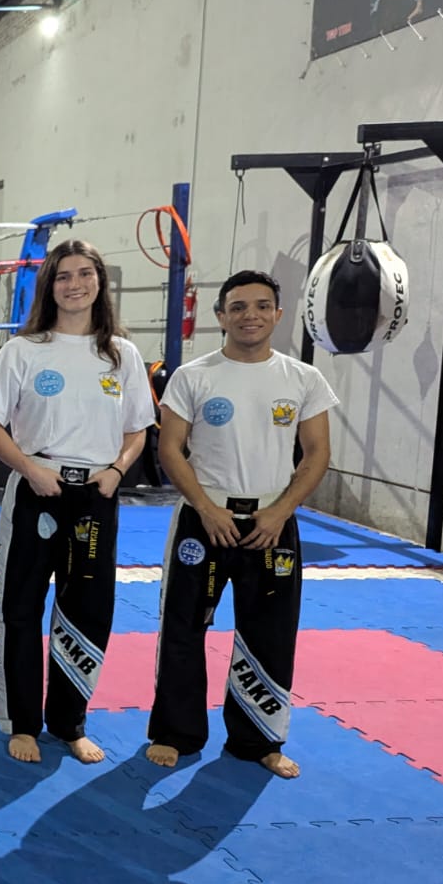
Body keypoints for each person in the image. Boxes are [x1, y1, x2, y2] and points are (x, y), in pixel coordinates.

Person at [147, 271, 337, 780]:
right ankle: (176, 733)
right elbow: (171, 450)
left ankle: (259, 740)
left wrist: (281, 511)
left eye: (261, 306)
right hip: (204, 518)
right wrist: (206, 508)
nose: (249, 315)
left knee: (270, 631)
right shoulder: (193, 376)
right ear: (220, 316)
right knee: (183, 628)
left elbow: (317, 454)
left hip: (272, 521)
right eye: (237, 307)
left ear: (278, 314)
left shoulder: (303, 379)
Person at [0, 241, 153, 765]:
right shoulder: (23, 350)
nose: (74, 284)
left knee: (88, 610)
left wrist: (117, 471)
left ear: (100, 282)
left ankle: (70, 722)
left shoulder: (121, 354)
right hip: (37, 487)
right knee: (20, 608)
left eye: (84, 274)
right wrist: (30, 469)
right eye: (63, 276)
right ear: (49, 286)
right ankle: (22, 723)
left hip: (96, 494)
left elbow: (138, 430)